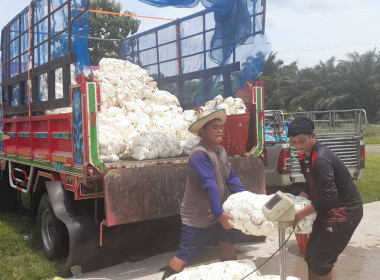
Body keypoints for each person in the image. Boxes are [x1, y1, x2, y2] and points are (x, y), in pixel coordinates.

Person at [161, 109, 246, 279]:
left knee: (228, 243)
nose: (220, 130)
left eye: (221, 127)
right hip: (198, 216)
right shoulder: (200, 155)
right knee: (186, 254)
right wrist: (219, 214)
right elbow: (210, 185)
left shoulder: (221, 150)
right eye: (215, 128)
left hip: (218, 210)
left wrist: (246, 197)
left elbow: (231, 177)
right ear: (203, 131)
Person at [288, 117, 363, 280]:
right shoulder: (304, 156)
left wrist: (299, 215)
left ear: (313, 136)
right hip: (329, 209)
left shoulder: (320, 159)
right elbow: (310, 185)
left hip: (344, 212)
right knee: (311, 256)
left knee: (321, 260)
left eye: (301, 141)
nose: (298, 146)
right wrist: (296, 202)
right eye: (293, 142)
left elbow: (328, 197)